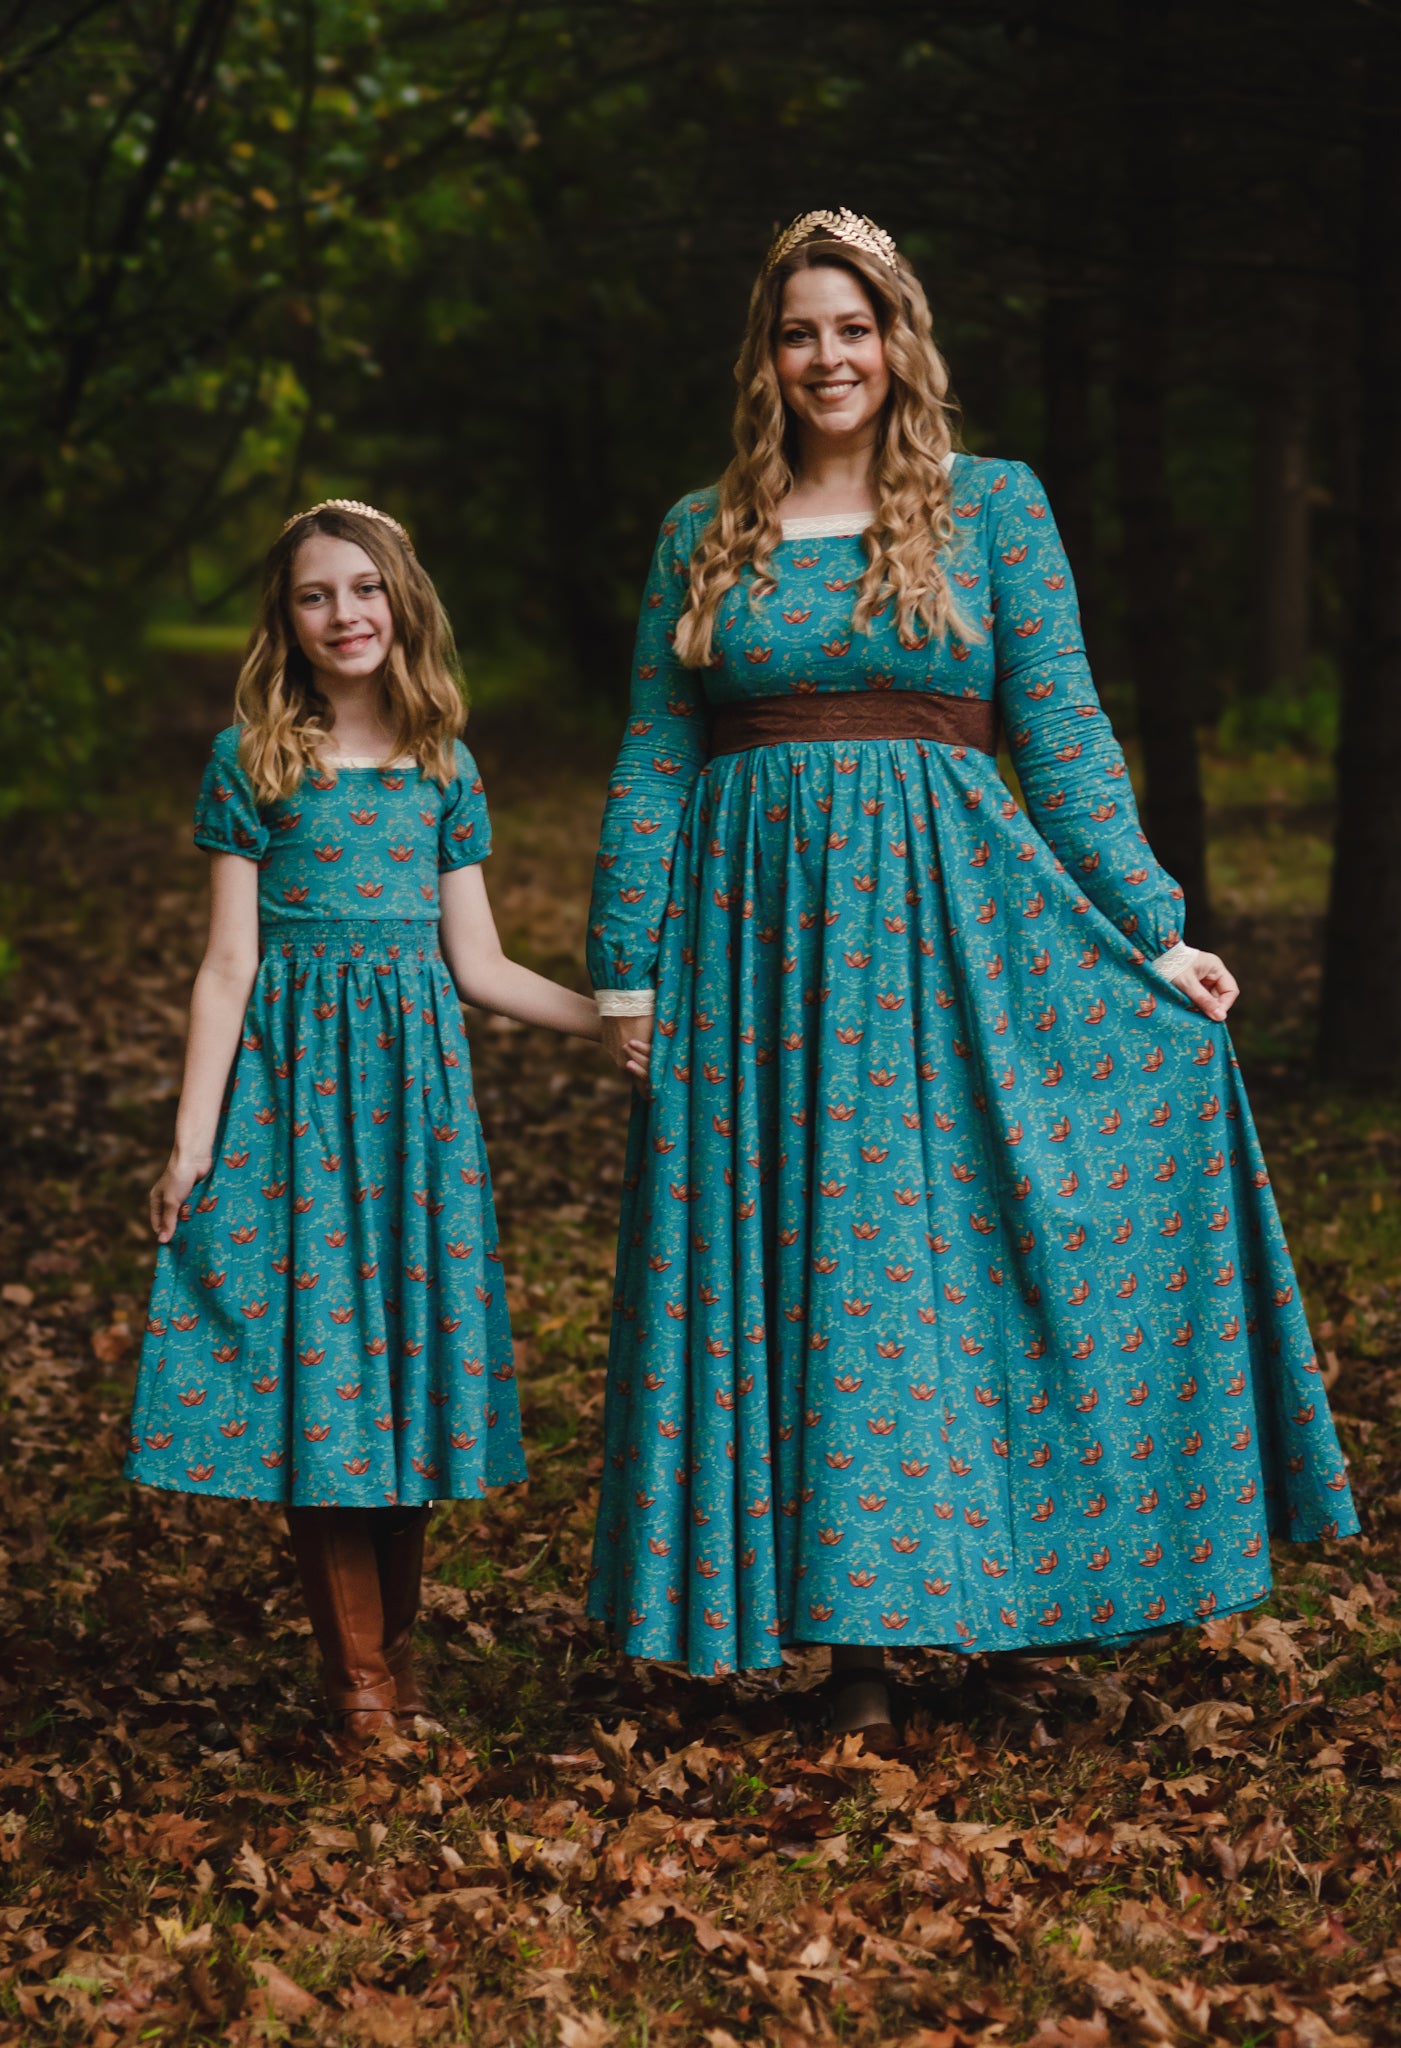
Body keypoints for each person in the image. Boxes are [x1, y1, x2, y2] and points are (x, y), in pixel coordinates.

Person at [585, 209, 1357, 1747]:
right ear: (768, 355)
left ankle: (1017, 1628)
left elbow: (1063, 734)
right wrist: (628, 969)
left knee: (982, 1263)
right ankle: (856, 1650)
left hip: (960, 935)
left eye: (853, 329)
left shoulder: (989, 509)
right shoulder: (703, 529)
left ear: (899, 341)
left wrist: (1151, 927)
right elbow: (655, 761)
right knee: (820, 1274)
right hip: (760, 960)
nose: (828, 358)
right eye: (800, 332)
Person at [125, 499, 599, 1740]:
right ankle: (359, 1686)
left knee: (405, 1367)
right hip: (294, 1106)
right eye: (315, 594)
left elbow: (483, 963)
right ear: (285, 619)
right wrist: (193, 1137)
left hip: (415, 1115)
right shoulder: (256, 759)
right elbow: (226, 965)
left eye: (363, 589)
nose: (344, 614)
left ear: (403, 601)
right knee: (326, 1380)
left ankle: (395, 1656)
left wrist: (609, 1021)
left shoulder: (445, 763)